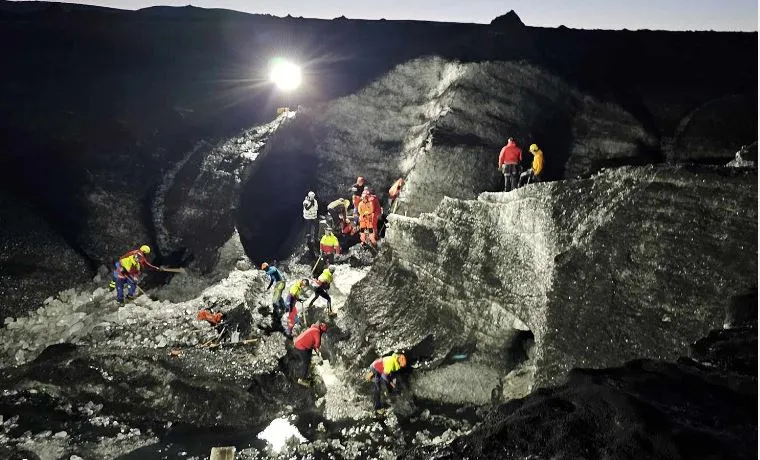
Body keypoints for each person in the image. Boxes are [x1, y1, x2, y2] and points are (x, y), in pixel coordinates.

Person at [293, 322, 328, 386]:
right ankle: (302, 379)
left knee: (309, 354)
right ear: (321, 330)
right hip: (301, 346)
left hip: (299, 342)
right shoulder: (317, 332)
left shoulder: (313, 328)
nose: (322, 334)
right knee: (305, 362)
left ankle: (309, 368)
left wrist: (315, 349)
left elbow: (312, 343)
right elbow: (317, 344)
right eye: (323, 332)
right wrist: (317, 351)